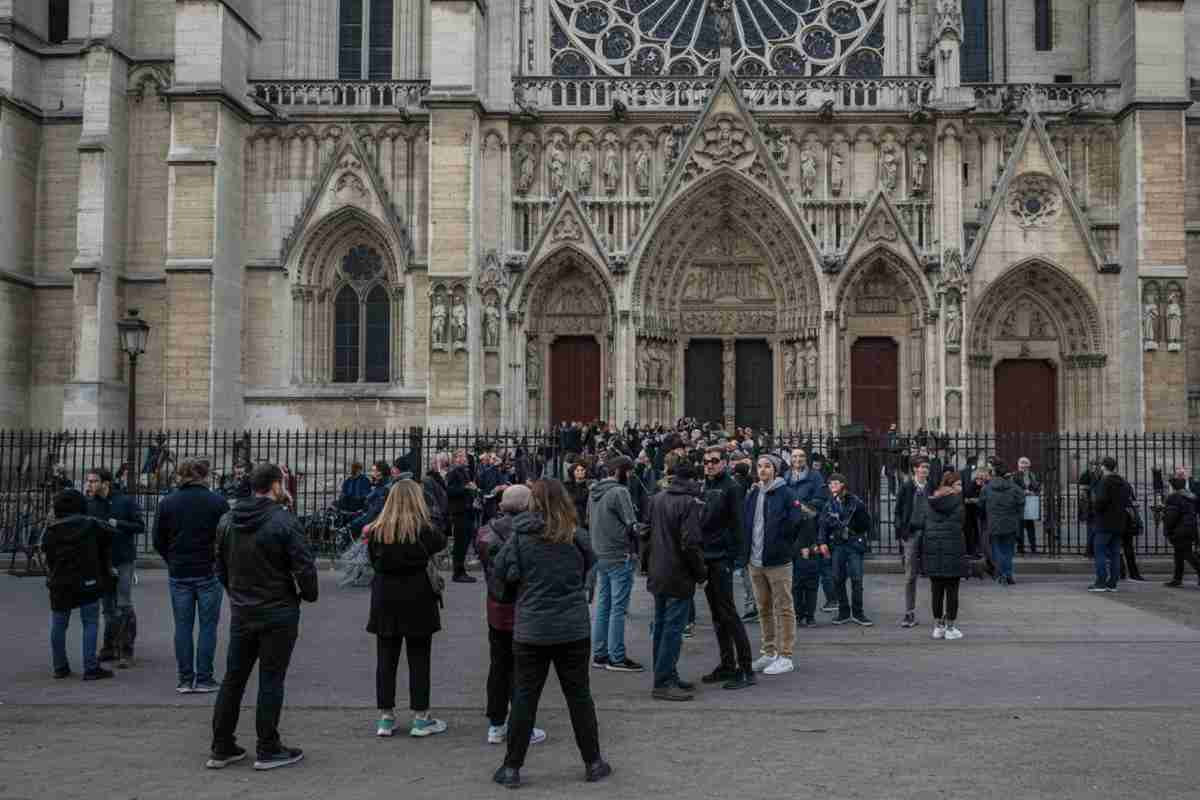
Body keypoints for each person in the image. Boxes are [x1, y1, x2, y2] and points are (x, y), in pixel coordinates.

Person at [490, 480, 610, 789]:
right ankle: (593, 761)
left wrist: (523, 585)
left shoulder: (519, 538)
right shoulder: (576, 537)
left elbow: (500, 579)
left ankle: (512, 767)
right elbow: (590, 570)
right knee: (579, 696)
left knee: (525, 698)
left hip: (532, 628)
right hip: (572, 627)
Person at [208, 463, 318, 771]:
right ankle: (268, 747)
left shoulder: (228, 519)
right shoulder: (283, 520)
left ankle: (221, 744)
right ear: (274, 485)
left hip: (243, 610)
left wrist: (236, 593)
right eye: (282, 483)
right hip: (278, 610)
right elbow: (303, 565)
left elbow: (219, 565)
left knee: (234, 678)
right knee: (271, 679)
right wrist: (307, 593)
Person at [365, 479, 449, 738]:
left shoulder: (378, 531)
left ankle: (386, 717)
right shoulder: (424, 529)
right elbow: (441, 541)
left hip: (385, 597)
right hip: (417, 597)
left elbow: (372, 560)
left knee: (386, 659)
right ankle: (421, 717)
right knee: (419, 658)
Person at [476, 485, 547, 747]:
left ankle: (496, 724)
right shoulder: (536, 533)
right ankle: (522, 726)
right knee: (524, 670)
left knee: (499, 666)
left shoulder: (486, 533)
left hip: (497, 606)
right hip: (525, 606)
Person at [153, 458, 229, 694]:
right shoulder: (218, 502)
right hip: (208, 570)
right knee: (208, 627)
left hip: (180, 571)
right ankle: (204, 678)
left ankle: (185, 679)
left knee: (183, 627)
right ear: (204, 476)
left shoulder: (167, 503)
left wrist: (172, 559)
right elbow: (227, 538)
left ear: (180, 476)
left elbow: (158, 540)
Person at [647, 460, 708, 699]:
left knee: (661, 627)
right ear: (693, 480)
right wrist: (701, 573)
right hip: (678, 573)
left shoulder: (658, 498)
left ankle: (666, 674)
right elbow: (690, 543)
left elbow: (646, 533)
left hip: (658, 570)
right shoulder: (689, 502)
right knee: (672, 630)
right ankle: (662, 683)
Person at [42, 489, 114, 681]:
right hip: (87, 579)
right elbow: (111, 533)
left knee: (59, 624)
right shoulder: (91, 525)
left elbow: (47, 555)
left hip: (60, 581)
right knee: (90, 622)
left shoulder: (51, 530)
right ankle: (90, 667)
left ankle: (60, 666)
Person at [698, 448, 754, 689]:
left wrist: (738, 558)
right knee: (717, 615)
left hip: (722, 558)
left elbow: (739, 524)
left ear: (724, 463)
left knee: (729, 614)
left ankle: (746, 669)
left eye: (714, 461)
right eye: (705, 462)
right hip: (707, 556)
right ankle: (727, 664)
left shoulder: (731, 487)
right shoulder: (706, 486)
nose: (709, 465)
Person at [743, 454, 803, 675]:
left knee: (784, 608)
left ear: (775, 470)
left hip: (777, 561)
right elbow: (746, 521)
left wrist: (782, 543)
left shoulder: (786, 493)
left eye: (767, 466)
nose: (763, 470)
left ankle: (785, 655)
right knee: (763, 608)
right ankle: (769, 652)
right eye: (759, 466)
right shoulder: (753, 493)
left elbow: (796, 520)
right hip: (755, 560)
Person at [587, 454, 644, 673]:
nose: (630, 476)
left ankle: (600, 654)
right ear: (621, 471)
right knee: (618, 608)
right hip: (619, 555)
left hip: (600, 553)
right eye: (629, 472)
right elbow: (632, 525)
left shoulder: (594, 491)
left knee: (604, 606)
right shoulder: (620, 491)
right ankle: (617, 657)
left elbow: (590, 520)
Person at [85, 467, 145, 668]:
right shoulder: (90, 504)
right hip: (102, 561)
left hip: (123, 559)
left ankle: (126, 650)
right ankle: (109, 647)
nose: (89, 485)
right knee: (108, 608)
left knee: (124, 604)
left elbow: (140, 526)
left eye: (93, 481)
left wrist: (117, 523)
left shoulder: (125, 501)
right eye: (89, 481)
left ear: (105, 483)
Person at [783, 448, 830, 626]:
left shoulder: (815, 476)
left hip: (809, 531)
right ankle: (796, 614)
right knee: (793, 578)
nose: (798, 459)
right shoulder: (785, 477)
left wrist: (801, 507)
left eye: (801, 456)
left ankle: (809, 615)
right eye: (795, 456)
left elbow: (820, 500)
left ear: (806, 459)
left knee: (810, 576)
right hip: (791, 532)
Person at [821, 473, 872, 626]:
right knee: (838, 578)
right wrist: (822, 542)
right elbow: (823, 526)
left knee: (857, 579)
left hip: (853, 544)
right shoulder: (829, 504)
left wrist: (854, 526)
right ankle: (844, 612)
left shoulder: (855, 502)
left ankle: (858, 612)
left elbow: (866, 523)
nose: (832, 486)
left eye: (835, 483)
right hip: (838, 545)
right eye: (830, 484)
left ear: (843, 484)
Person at [924, 473, 966, 640]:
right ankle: (950, 627)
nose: (961, 488)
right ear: (952, 486)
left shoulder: (931, 502)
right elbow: (960, 526)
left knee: (936, 591)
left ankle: (938, 627)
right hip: (952, 550)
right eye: (958, 484)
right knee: (952, 590)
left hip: (933, 550)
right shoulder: (958, 504)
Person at [894, 458, 930, 627]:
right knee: (910, 575)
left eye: (927, 467)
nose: (925, 470)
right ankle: (909, 612)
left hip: (929, 533)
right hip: (912, 533)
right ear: (915, 469)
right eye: (922, 467)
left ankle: (940, 614)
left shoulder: (932, 486)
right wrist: (902, 531)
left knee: (937, 573)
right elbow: (898, 511)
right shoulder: (907, 487)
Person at [1088, 457, 1131, 593]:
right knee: (1115, 554)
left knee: (1099, 552)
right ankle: (1112, 584)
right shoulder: (1123, 482)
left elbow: (1100, 502)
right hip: (1119, 522)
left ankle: (1101, 583)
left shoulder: (1105, 482)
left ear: (1103, 467)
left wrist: (1095, 508)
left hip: (1104, 523)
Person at [980, 460, 1023, 585]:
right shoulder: (1014, 487)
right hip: (1011, 523)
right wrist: (1017, 514)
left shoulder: (987, 488)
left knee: (997, 550)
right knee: (1008, 551)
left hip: (994, 523)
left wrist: (987, 514)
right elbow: (1021, 501)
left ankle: (1002, 574)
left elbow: (981, 505)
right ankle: (1008, 574)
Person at [446, 449, 479, 583]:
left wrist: (473, 490)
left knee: (465, 543)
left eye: (463, 456)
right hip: (459, 512)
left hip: (467, 511)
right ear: (454, 459)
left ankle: (461, 570)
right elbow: (449, 491)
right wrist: (466, 488)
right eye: (459, 456)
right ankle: (458, 572)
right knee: (460, 543)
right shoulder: (453, 472)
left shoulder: (464, 471)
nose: (462, 458)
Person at [1163, 476, 1200, 587]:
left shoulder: (1173, 498)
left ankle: (1177, 579)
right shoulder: (1190, 496)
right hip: (1190, 527)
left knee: (1187, 554)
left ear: (1172, 487)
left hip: (1180, 530)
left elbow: (1171, 517)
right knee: (1179, 555)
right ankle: (1177, 579)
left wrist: (1167, 529)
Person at [350, 461, 392, 536]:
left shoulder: (383, 487)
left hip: (372, 519)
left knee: (353, 526)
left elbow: (376, 509)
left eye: (373, 471)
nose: (371, 473)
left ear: (380, 473)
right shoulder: (379, 484)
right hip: (368, 514)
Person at [1013, 457, 1041, 555]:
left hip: (1030, 504)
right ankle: (1020, 548)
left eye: (1026, 466)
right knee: (1019, 527)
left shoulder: (1032, 475)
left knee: (1030, 527)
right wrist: (1023, 492)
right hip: (1019, 505)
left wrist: (1034, 492)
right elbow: (1013, 488)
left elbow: (1037, 486)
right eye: (1022, 466)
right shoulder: (1015, 475)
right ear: (1019, 466)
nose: (1024, 468)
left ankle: (1033, 548)